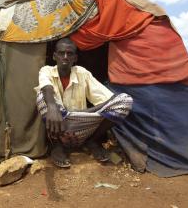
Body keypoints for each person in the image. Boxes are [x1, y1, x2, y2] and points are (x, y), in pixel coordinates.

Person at [35, 38, 133, 168]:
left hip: (82, 129)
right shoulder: (46, 70)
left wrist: (82, 114)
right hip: (60, 127)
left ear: (75, 58)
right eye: (61, 53)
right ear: (54, 56)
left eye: (69, 54)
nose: (65, 57)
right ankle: (57, 146)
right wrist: (53, 107)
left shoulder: (82, 73)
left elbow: (106, 99)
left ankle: (91, 142)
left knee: (125, 100)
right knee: (42, 96)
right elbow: (46, 86)